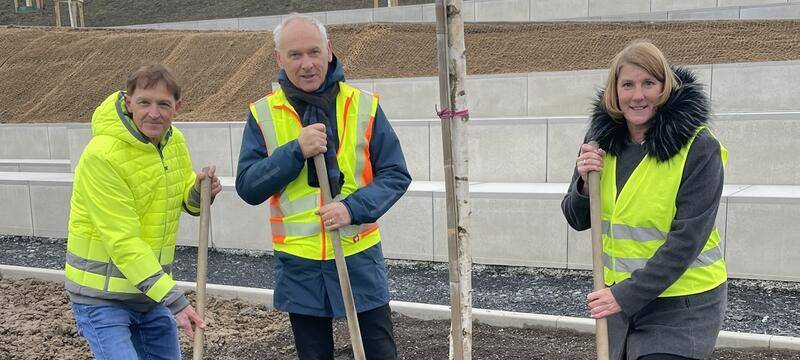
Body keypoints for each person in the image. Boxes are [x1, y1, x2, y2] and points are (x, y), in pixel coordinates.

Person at [236, 13, 411, 360]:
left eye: (314, 52)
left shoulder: (362, 105)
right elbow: (249, 186)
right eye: (295, 55)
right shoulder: (263, 114)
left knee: (379, 351)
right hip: (299, 262)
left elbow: (395, 174)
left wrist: (351, 208)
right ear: (279, 59)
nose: (306, 64)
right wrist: (295, 151)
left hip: (358, 254)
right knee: (313, 354)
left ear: (329, 51)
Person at [561, 40, 728, 360]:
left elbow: (688, 240)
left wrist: (624, 295)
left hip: (683, 304)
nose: (637, 95)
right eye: (628, 85)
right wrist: (584, 184)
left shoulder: (699, 147)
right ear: (615, 91)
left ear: (665, 87)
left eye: (648, 83)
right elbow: (576, 218)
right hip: (621, 308)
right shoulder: (599, 141)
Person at [65, 63, 222, 360]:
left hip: (148, 295)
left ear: (177, 107)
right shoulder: (102, 156)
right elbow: (122, 240)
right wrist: (175, 300)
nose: (154, 113)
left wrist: (199, 192)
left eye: (163, 104)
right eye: (144, 103)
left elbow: (183, 198)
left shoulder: (174, 142)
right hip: (102, 298)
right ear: (129, 103)